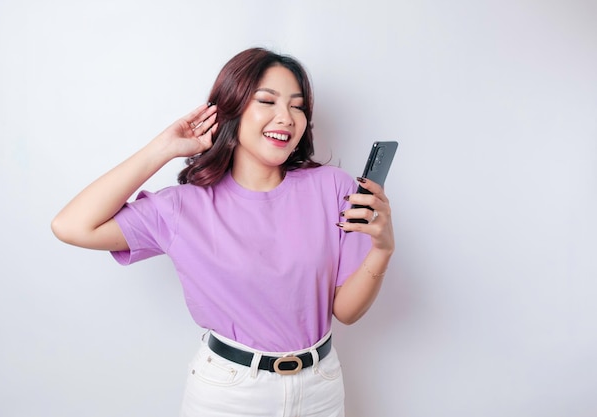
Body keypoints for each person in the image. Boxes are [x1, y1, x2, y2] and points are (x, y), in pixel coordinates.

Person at [51, 47, 395, 417]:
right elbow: (71, 226)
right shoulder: (182, 207)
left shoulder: (334, 188)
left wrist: (381, 250)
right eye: (267, 101)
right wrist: (162, 148)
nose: (286, 117)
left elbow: (345, 311)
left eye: (297, 106)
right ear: (231, 109)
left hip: (320, 388)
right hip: (230, 394)